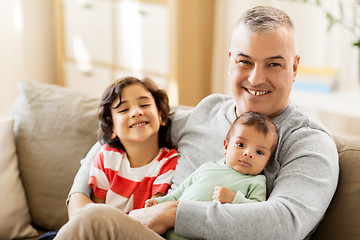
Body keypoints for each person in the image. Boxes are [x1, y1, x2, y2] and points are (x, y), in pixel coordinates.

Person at [55, 5, 339, 240]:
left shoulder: (308, 141)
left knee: (96, 221)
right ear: (230, 62)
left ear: (294, 68)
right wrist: (79, 197)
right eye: (245, 62)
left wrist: (172, 212)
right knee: (89, 220)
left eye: (274, 64)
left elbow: (286, 223)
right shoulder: (209, 109)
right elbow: (122, 133)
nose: (255, 78)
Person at [145, 111, 278, 240]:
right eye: (241, 145)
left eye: (259, 152)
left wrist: (233, 199)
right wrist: (159, 202)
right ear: (226, 146)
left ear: (266, 163)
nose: (248, 153)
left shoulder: (256, 182)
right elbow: (178, 194)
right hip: (167, 231)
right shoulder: (208, 167)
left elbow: (257, 212)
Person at [88, 76, 179, 212]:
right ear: (112, 128)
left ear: (160, 116)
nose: (137, 112)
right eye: (124, 110)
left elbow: (152, 215)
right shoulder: (107, 157)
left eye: (144, 105)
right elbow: (94, 212)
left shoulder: (169, 162)